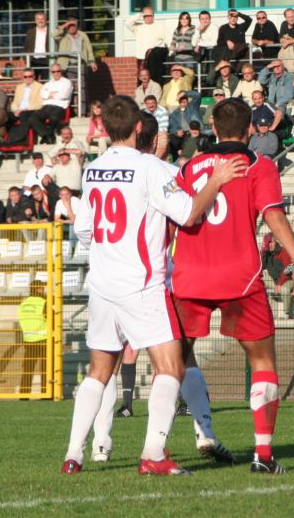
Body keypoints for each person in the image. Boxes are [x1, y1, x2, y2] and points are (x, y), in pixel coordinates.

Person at [62, 95, 245, 475]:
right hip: (141, 283)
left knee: (98, 372)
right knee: (171, 367)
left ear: (105, 128)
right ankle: (154, 455)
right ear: (138, 126)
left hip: (102, 283)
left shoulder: (93, 169)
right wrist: (215, 180)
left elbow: (84, 230)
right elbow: (189, 214)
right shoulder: (151, 167)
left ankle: (73, 455)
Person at [172, 97, 294, 473]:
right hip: (240, 277)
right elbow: (273, 214)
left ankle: (174, 442)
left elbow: (174, 216)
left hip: (189, 275)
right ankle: (263, 455)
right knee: (262, 361)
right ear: (249, 129)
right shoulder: (259, 165)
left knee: (175, 359)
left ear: (213, 128)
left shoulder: (190, 167)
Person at [19, 283, 49, 395]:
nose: (43, 290)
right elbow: (51, 319)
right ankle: (46, 394)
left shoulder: (23, 303)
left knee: (27, 370)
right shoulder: (43, 302)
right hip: (43, 339)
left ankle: (24, 395)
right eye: (42, 288)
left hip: (28, 340)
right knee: (45, 369)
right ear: (38, 289)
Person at [30, 64, 72, 144]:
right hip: (46, 107)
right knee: (32, 118)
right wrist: (55, 93)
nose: (56, 73)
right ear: (51, 72)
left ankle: (48, 136)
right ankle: (47, 135)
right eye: (53, 72)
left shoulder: (67, 82)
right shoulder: (48, 83)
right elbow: (42, 94)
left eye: (58, 71)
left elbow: (64, 95)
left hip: (60, 107)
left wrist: (49, 94)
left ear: (61, 71)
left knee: (53, 117)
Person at [125, 7, 168, 83]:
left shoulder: (160, 27)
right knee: (142, 83)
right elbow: (127, 23)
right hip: (142, 59)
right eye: (145, 16)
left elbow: (169, 41)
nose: (147, 17)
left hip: (155, 60)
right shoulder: (138, 27)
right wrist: (139, 14)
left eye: (150, 15)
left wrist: (170, 54)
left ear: (153, 16)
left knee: (155, 82)